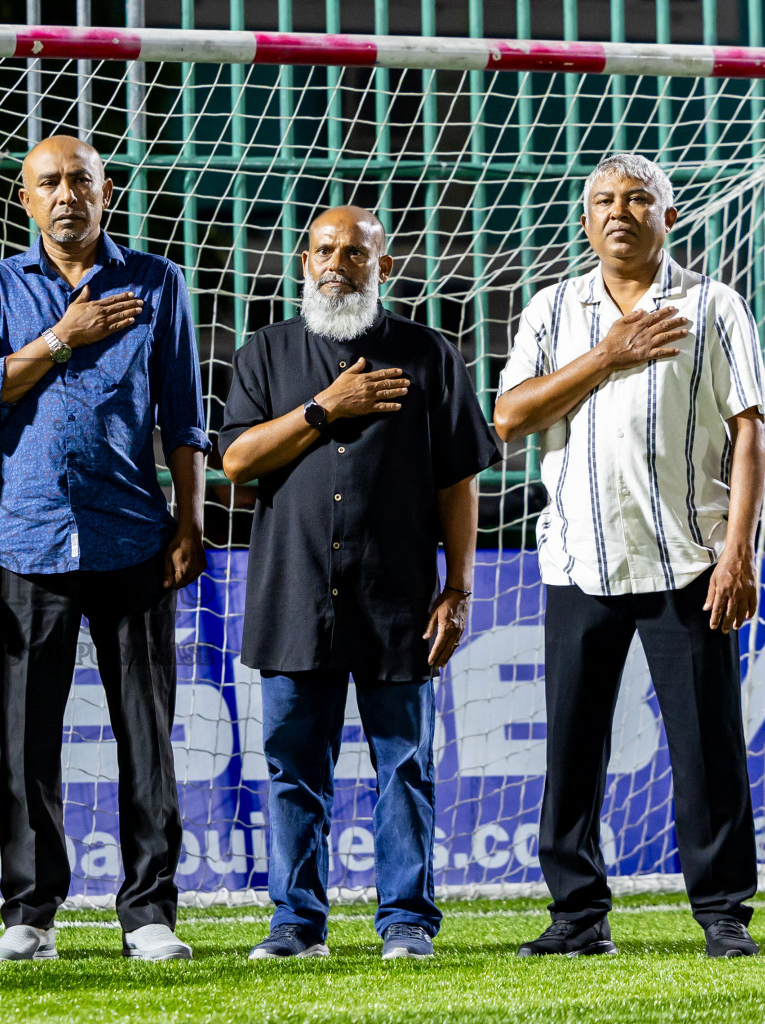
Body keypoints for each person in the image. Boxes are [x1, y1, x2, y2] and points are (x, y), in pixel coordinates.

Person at [495, 153, 765, 959]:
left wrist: (738, 552)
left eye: (639, 198)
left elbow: (750, 431)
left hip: (689, 560)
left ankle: (723, 913)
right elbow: (508, 415)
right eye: (605, 200)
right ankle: (578, 917)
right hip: (579, 559)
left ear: (668, 216)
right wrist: (607, 356)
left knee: (707, 748)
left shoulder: (714, 305)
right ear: (586, 222)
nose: (620, 211)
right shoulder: (553, 307)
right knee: (572, 748)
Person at [0, 135, 210, 962]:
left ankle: (150, 913)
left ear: (107, 190)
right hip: (26, 540)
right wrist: (63, 336)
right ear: (24, 199)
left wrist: (190, 521)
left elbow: (184, 414)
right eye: (49, 183)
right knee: (26, 738)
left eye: (80, 180)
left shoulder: (158, 281)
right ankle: (30, 914)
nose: (66, 195)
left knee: (148, 733)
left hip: (133, 537)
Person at [219, 206, 501, 961]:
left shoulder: (428, 353)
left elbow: (459, 479)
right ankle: (295, 924)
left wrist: (458, 589)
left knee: (405, 765)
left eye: (354, 253)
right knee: (292, 769)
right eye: (324, 251)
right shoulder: (265, 352)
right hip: (294, 594)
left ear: (384, 266)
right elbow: (237, 462)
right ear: (303, 262)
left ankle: (406, 921)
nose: (336, 265)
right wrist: (324, 410)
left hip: (398, 598)